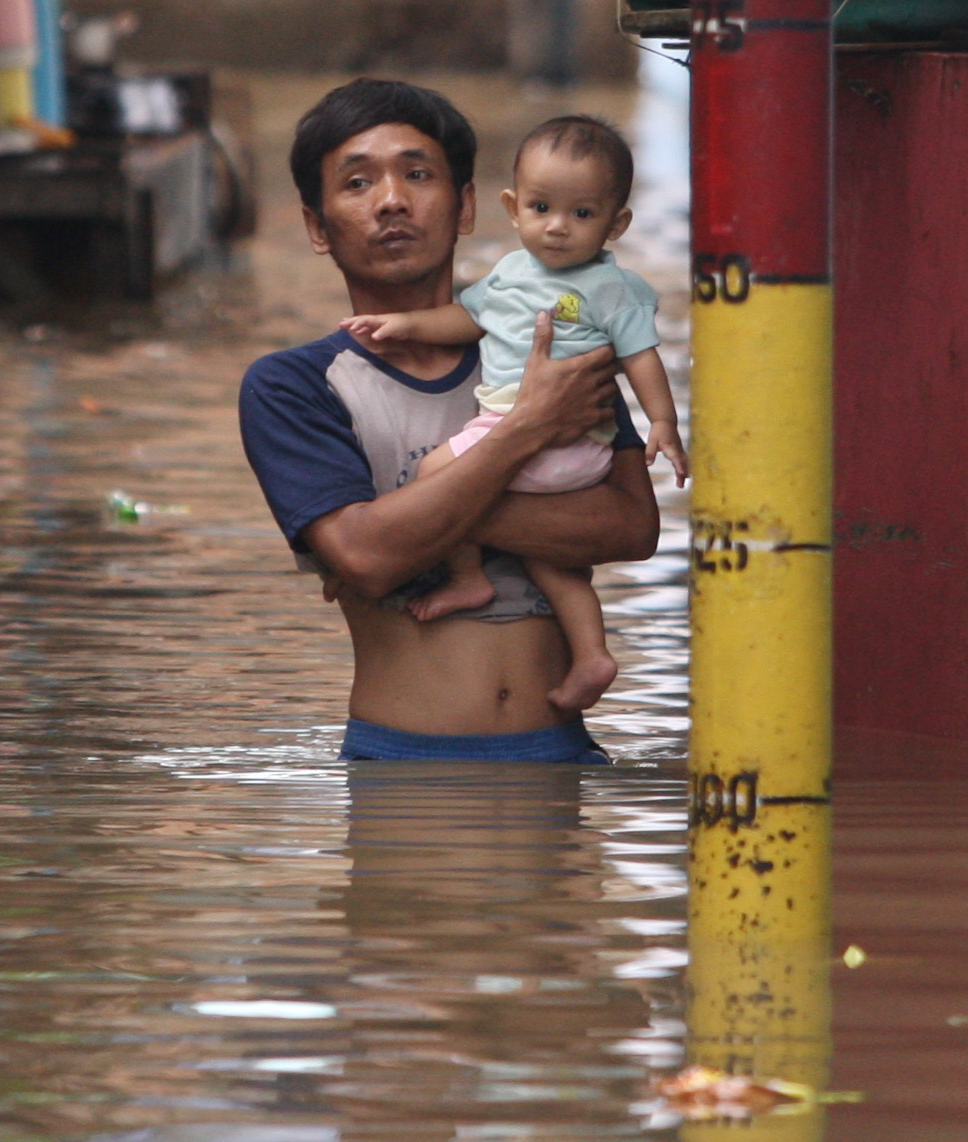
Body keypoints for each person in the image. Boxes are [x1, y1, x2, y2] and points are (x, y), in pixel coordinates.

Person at [238, 79, 660, 763]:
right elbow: (369, 559)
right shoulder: (292, 386)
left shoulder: (558, 347)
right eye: (356, 183)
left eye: (417, 174)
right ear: (318, 227)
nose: (393, 201)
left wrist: (398, 521)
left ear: (465, 206)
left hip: (564, 759)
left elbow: (632, 527)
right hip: (402, 772)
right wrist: (525, 431)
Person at [340, 115, 687, 711]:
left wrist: (663, 423)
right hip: (566, 455)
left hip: (559, 440)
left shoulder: (612, 288)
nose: (557, 227)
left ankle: (466, 575)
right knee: (552, 561)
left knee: (434, 478)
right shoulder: (510, 274)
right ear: (513, 206)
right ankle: (593, 654)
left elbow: (642, 358)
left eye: (582, 215)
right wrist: (404, 327)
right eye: (542, 207)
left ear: (616, 223)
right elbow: (467, 319)